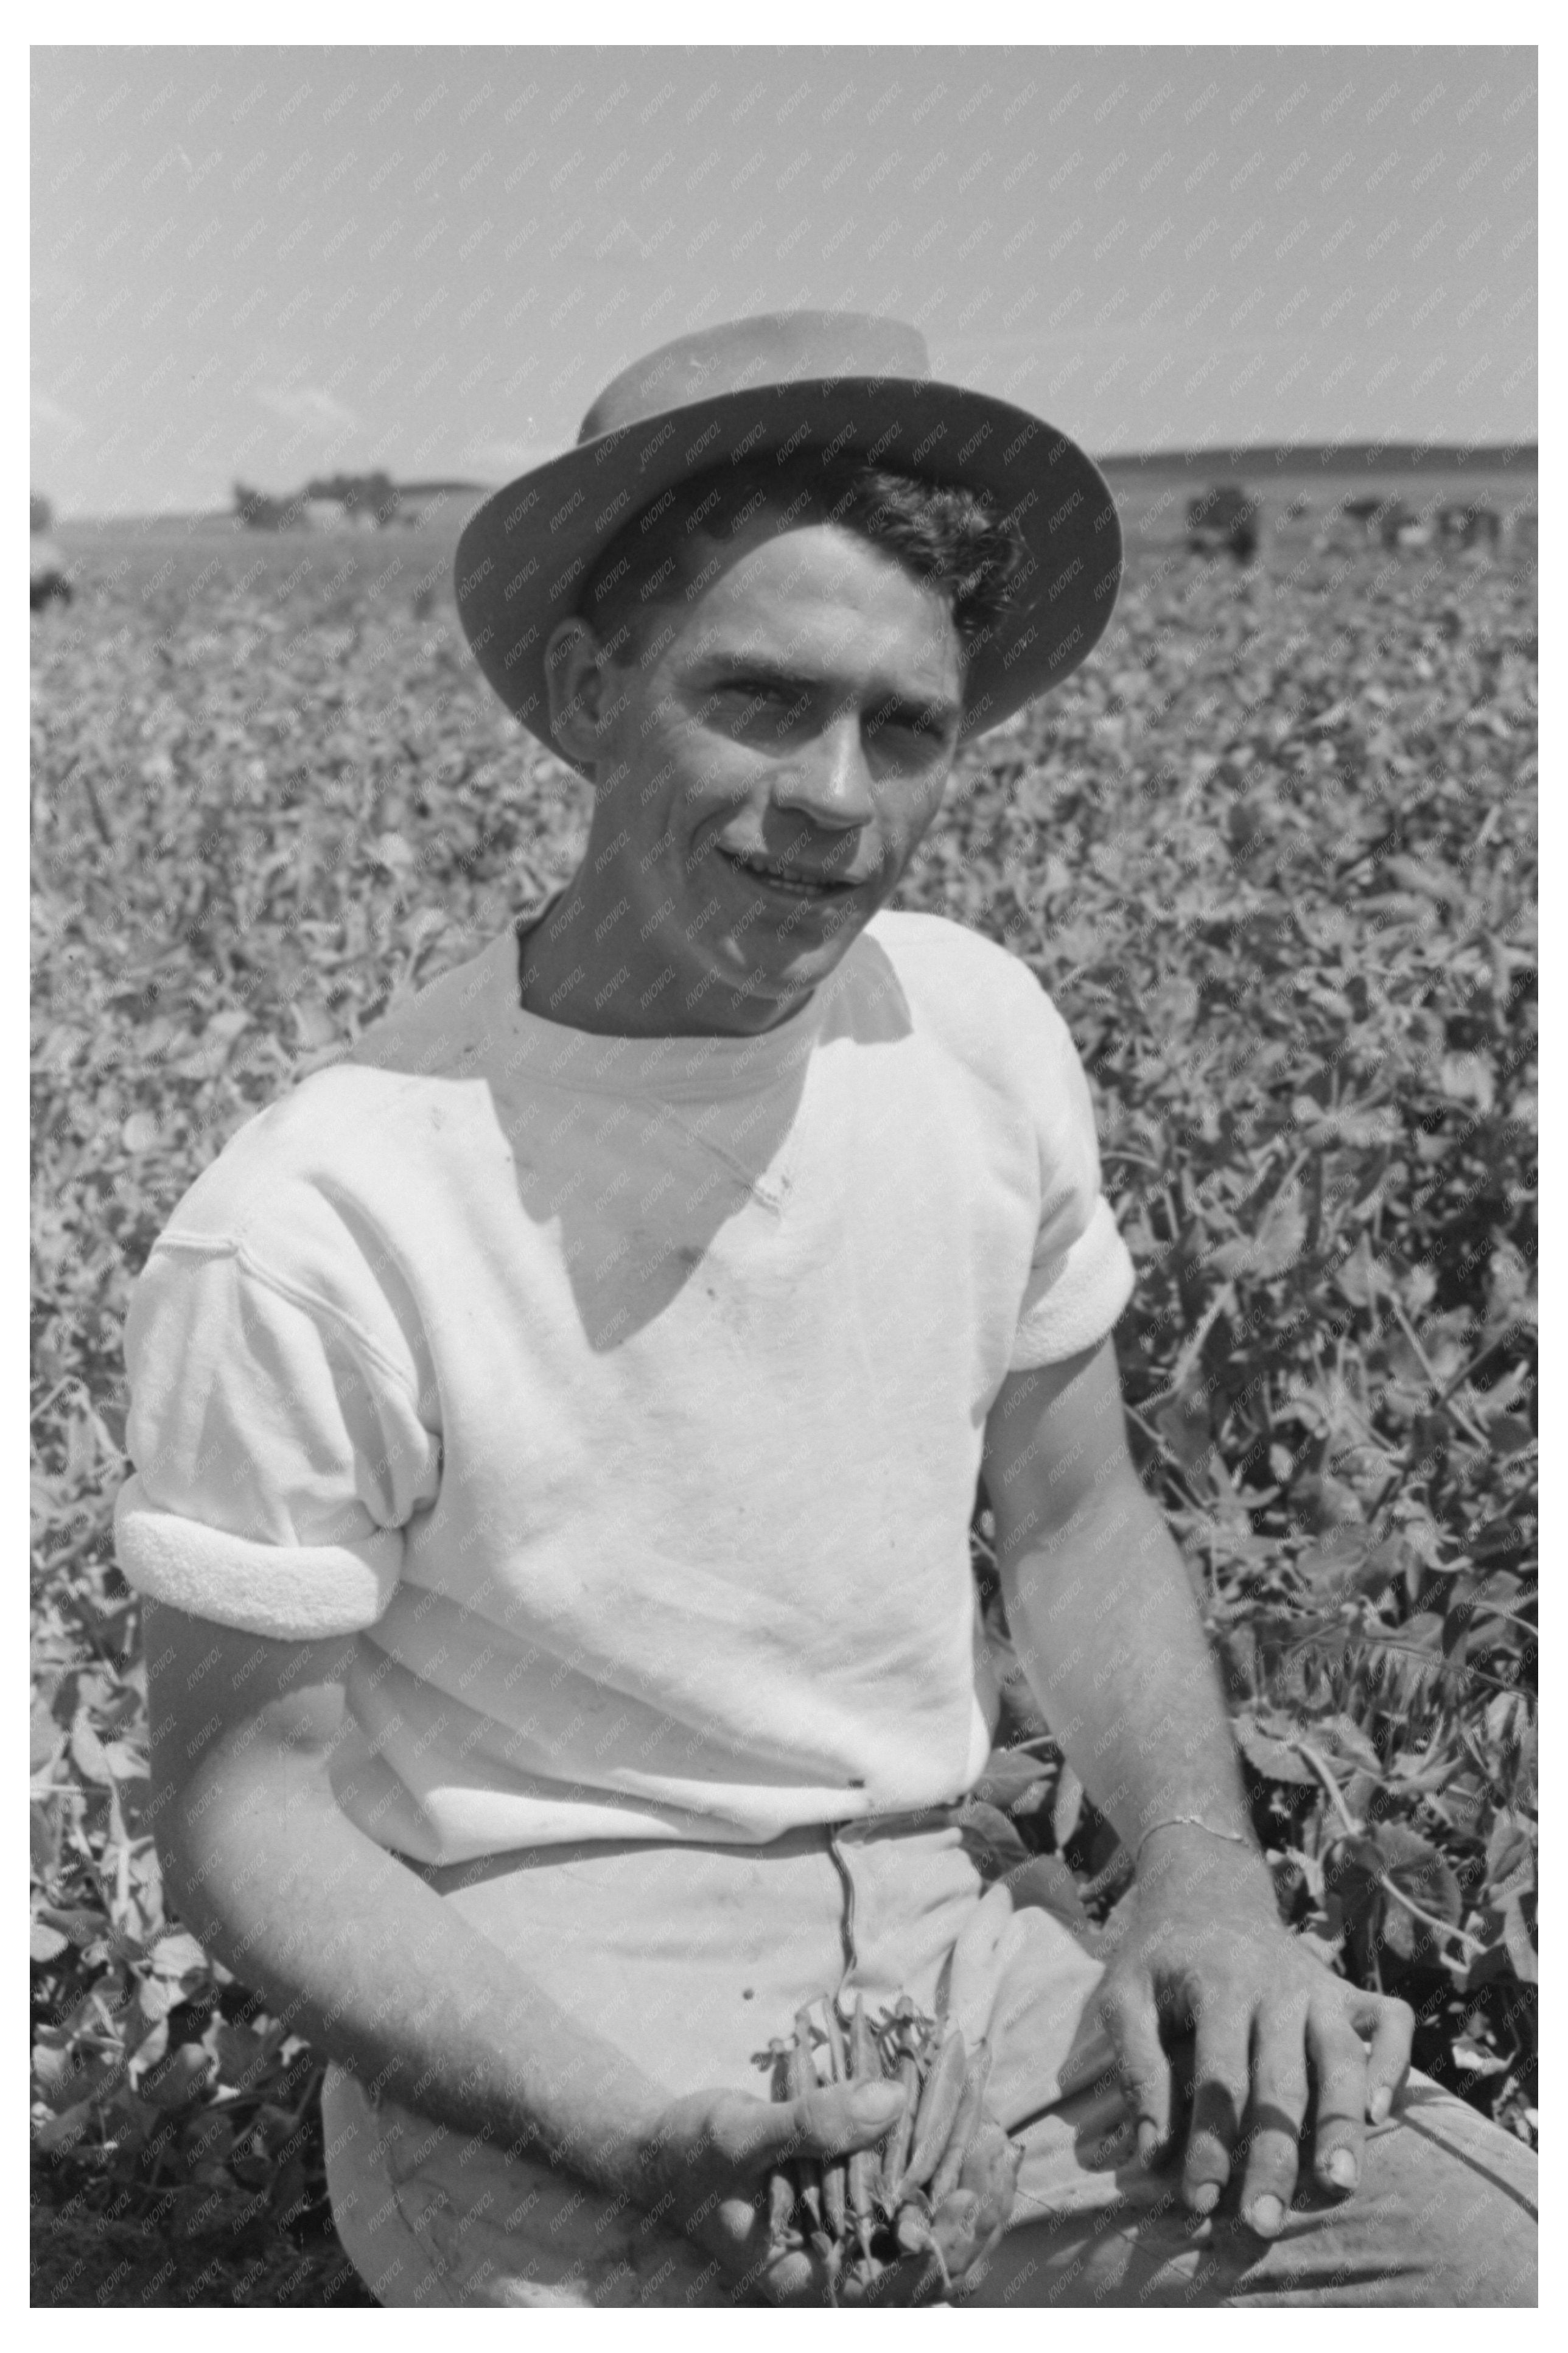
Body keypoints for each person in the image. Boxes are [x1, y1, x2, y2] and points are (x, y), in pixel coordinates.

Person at [121, 312, 1536, 2307]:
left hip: (950, 1926)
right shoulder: (318, 1214)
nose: (838, 798)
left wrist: (1204, 1873)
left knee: (1482, 2270)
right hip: (539, 1993)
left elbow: (1076, 1512)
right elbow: (242, 1820)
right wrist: (626, 2129)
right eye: (761, 701)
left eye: (906, 725)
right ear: (594, 691)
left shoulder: (978, 1031)